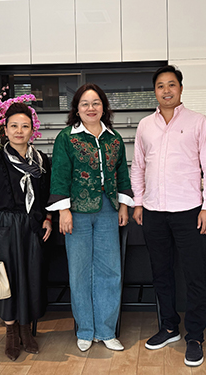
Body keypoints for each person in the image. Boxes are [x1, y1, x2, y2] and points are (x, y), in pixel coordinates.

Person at [131, 65, 206, 367]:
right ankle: (169, 327)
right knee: (161, 273)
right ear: (154, 91)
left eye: (171, 85)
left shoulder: (198, 122)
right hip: (153, 211)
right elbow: (138, 166)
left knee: (194, 275)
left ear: (181, 88)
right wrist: (138, 203)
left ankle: (195, 336)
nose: (166, 90)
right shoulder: (145, 125)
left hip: (189, 210)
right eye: (160, 86)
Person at [47, 83, 133, 352]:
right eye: (85, 103)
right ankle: (85, 330)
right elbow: (59, 174)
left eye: (96, 103)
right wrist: (63, 210)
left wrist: (123, 206)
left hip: (108, 209)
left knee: (110, 271)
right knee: (79, 272)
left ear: (104, 107)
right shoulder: (66, 138)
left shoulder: (114, 138)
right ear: (77, 109)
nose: (91, 108)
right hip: (76, 212)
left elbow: (122, 173)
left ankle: (106, 331)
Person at [0, 102, 52, 361]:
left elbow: (47, 194)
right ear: (5, 130)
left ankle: (26, 330)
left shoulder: (42, 160)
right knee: (7, 279)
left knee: (32, 277)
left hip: (33, 226)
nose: (19, 131)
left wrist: (48, 219)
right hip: (5, 227)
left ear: (32, 130)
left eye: (25, 126)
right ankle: (10, 332)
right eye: (14, 126)